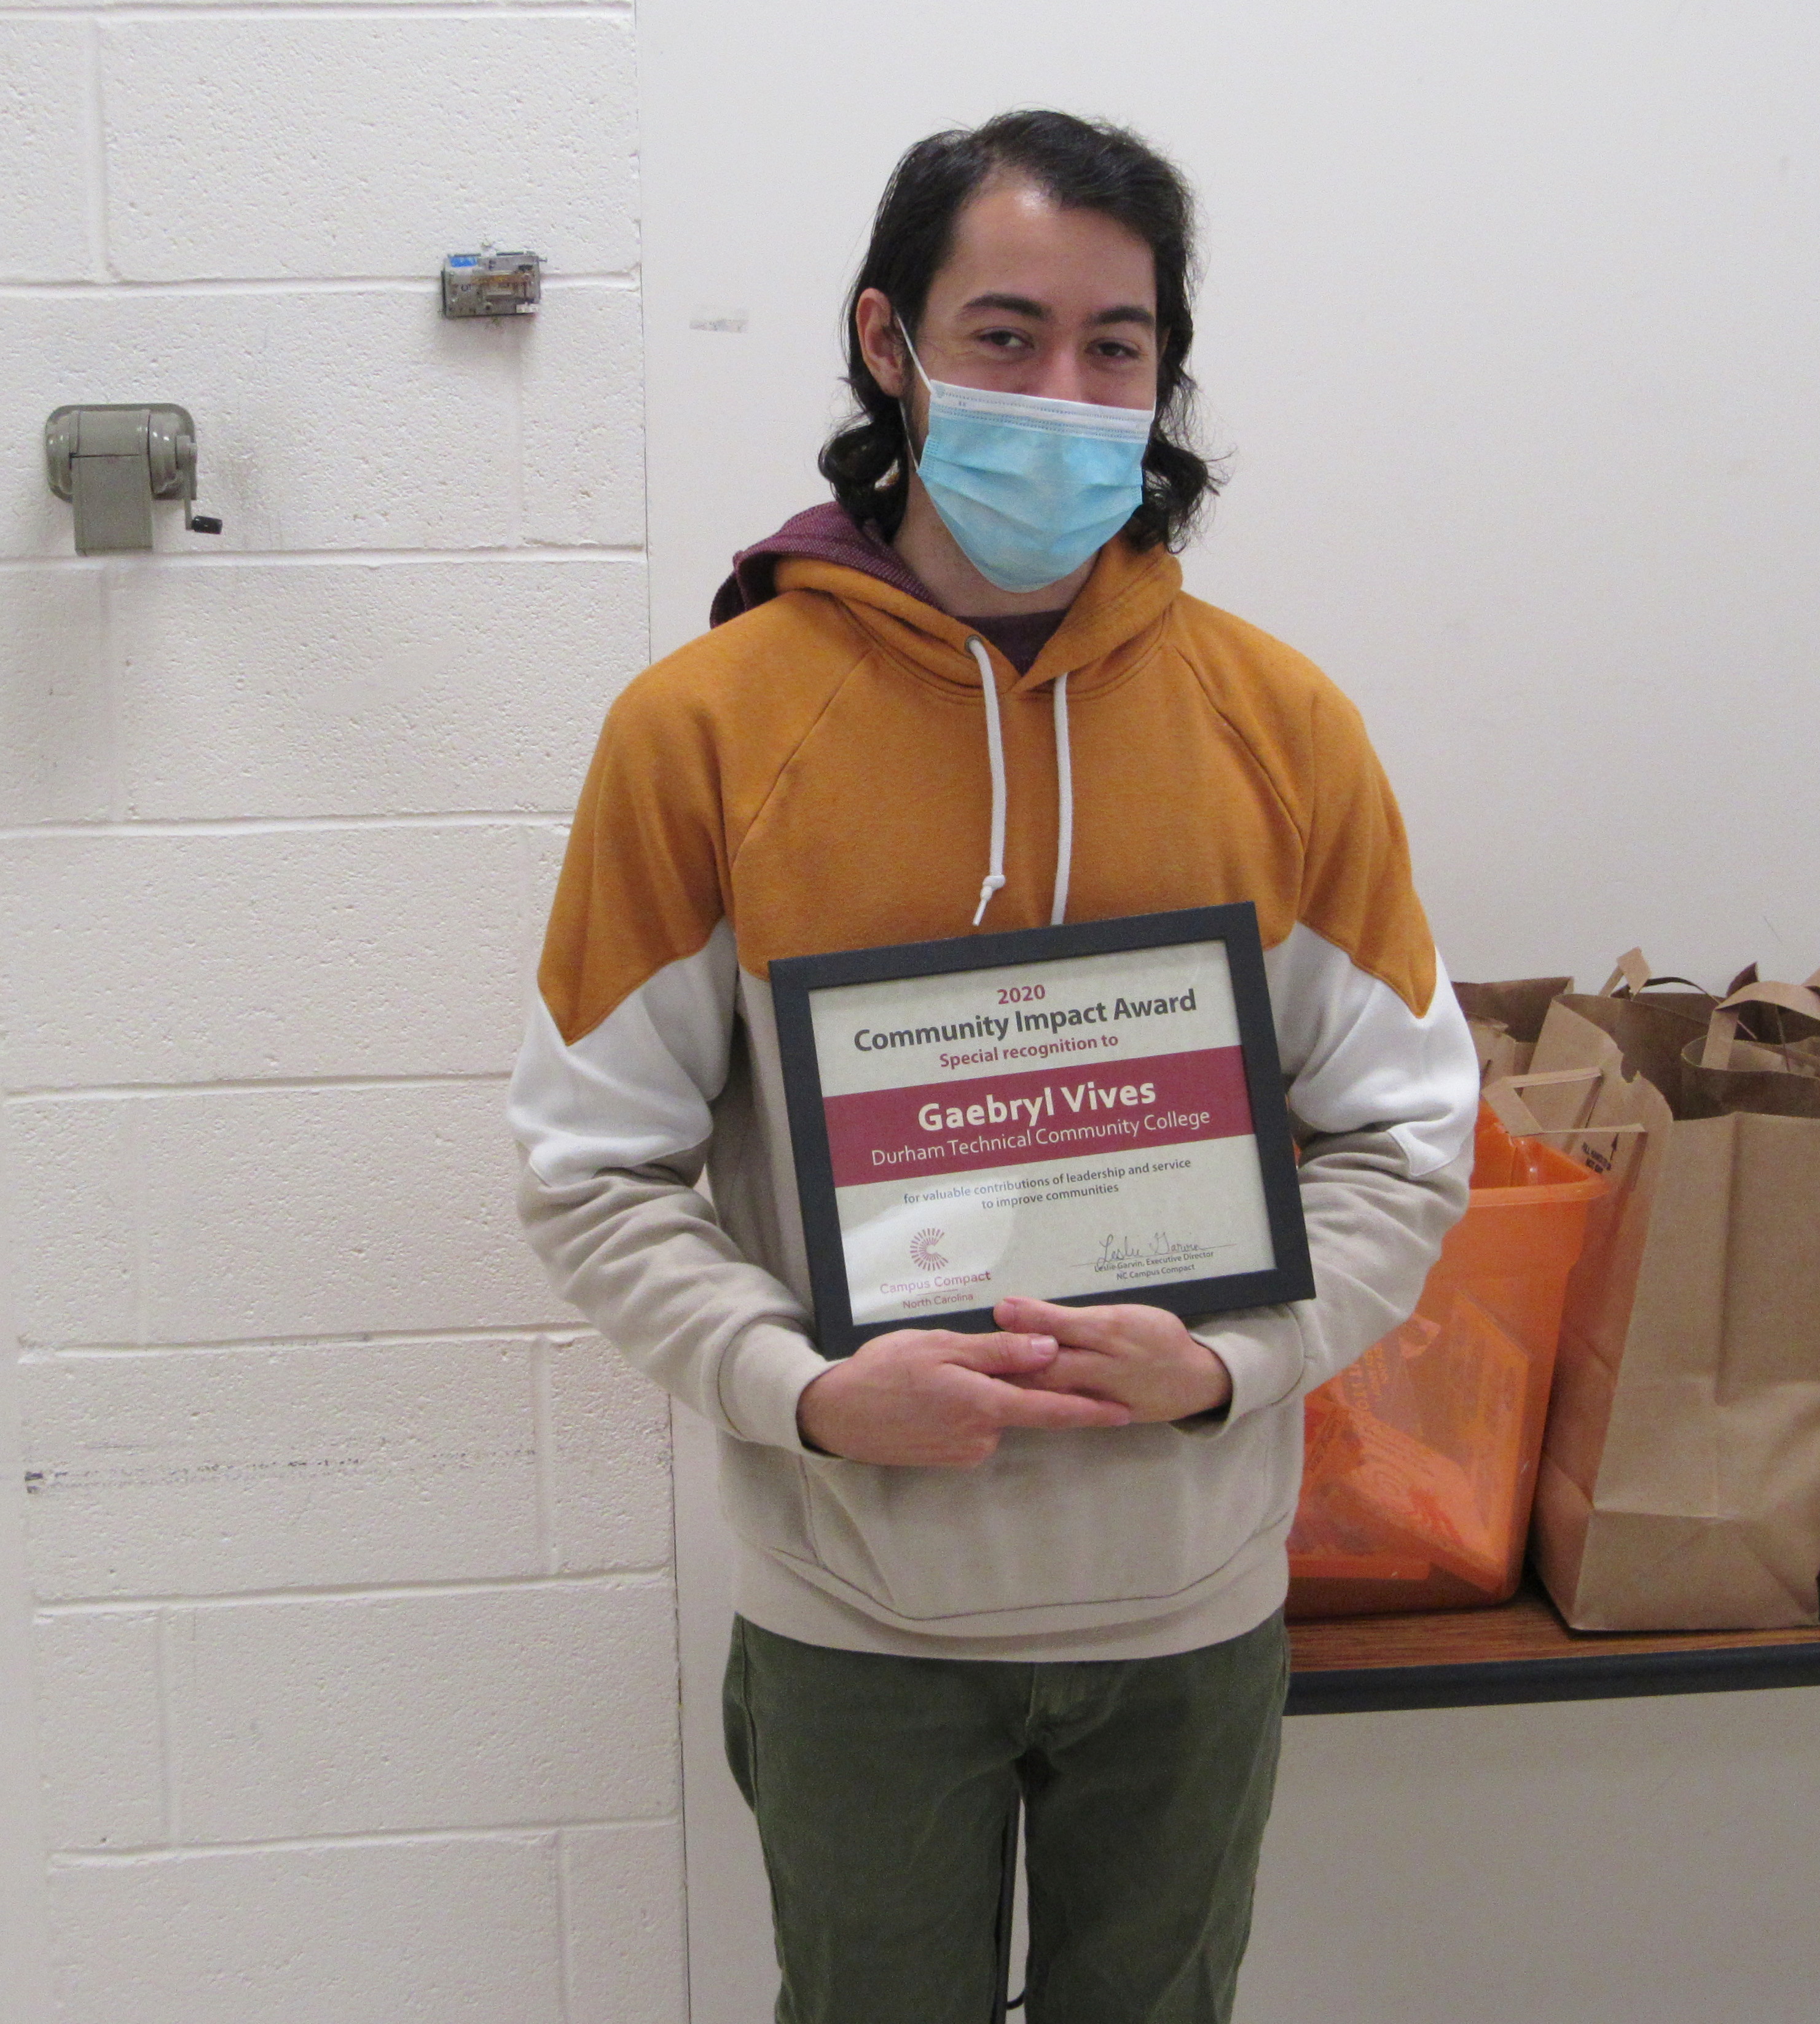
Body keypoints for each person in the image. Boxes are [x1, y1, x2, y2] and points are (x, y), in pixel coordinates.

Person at [509, 109, 1477, 2024]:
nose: (1062, 388)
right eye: (1005, 332)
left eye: (1114, 346)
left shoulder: (1280, 728)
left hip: (1194, 1611)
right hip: (856, 1615)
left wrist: (1233, 1362)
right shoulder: (701, 733)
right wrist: (799, 1392)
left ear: (1162, 375)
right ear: (889, 342)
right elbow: (587, 1172)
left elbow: (1403, 1140)